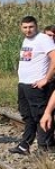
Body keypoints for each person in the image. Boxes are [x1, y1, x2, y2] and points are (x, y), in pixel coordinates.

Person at [10, 16, 55, 155]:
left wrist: (46, 79)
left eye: (31, 27)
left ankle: (45, 148)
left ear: (36, 26)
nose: (28, 30)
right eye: (25, 27)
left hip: (36, 85)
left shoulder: (43, 39)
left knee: (41, 115)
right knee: (28, 116)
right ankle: (25, 145)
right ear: (21, 27)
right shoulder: (27, 39)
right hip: (24, 84)